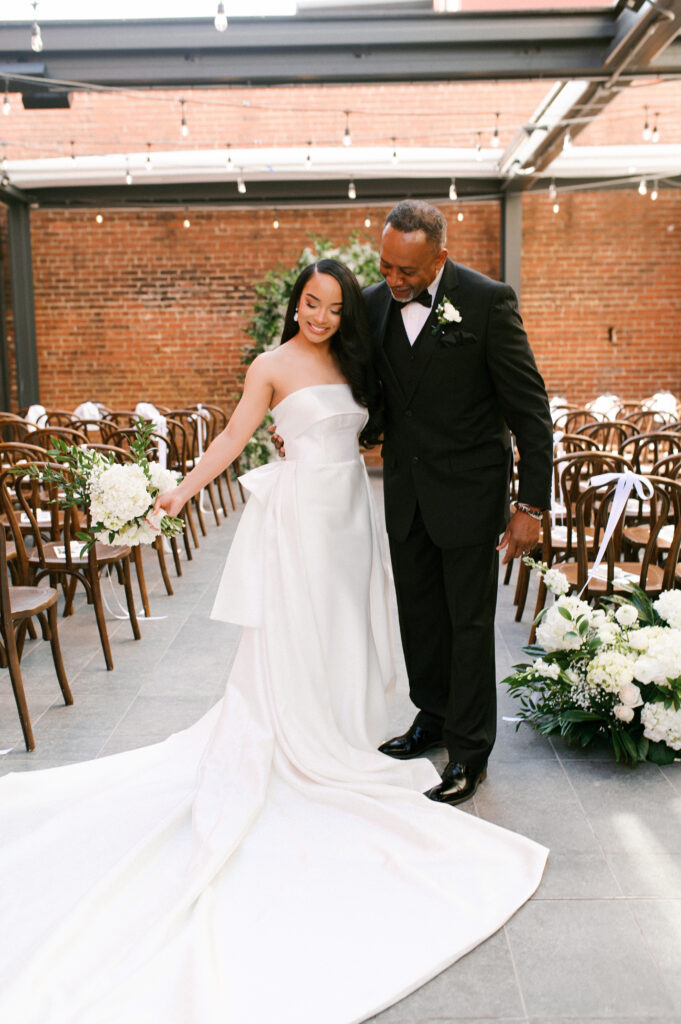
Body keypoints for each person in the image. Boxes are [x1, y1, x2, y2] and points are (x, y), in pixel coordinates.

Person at [0, 260, 547, 1024]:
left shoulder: (356, 355)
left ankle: (345, 726)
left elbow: (391, 416)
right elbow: (232, 434)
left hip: (350, 514)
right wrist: (181, 489)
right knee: (300, 628)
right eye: (309, 304)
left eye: (330, 306)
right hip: (299, 518)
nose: (319, 316)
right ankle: (302, 737)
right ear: (292, 306)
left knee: (347, 625)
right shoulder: (270, 364)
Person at [363, 200, 553, 806]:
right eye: (386, 265)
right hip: (407, 495)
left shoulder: (488, 301)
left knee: (468, 626)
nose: (394, 280)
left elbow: (531, 413)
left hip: (471, 496)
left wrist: (531, 506)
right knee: (420, 617)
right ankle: (434, 717)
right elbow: (366, 393)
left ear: (440, 257)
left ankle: (470, 752)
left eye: (407, 272)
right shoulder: (372, 306)